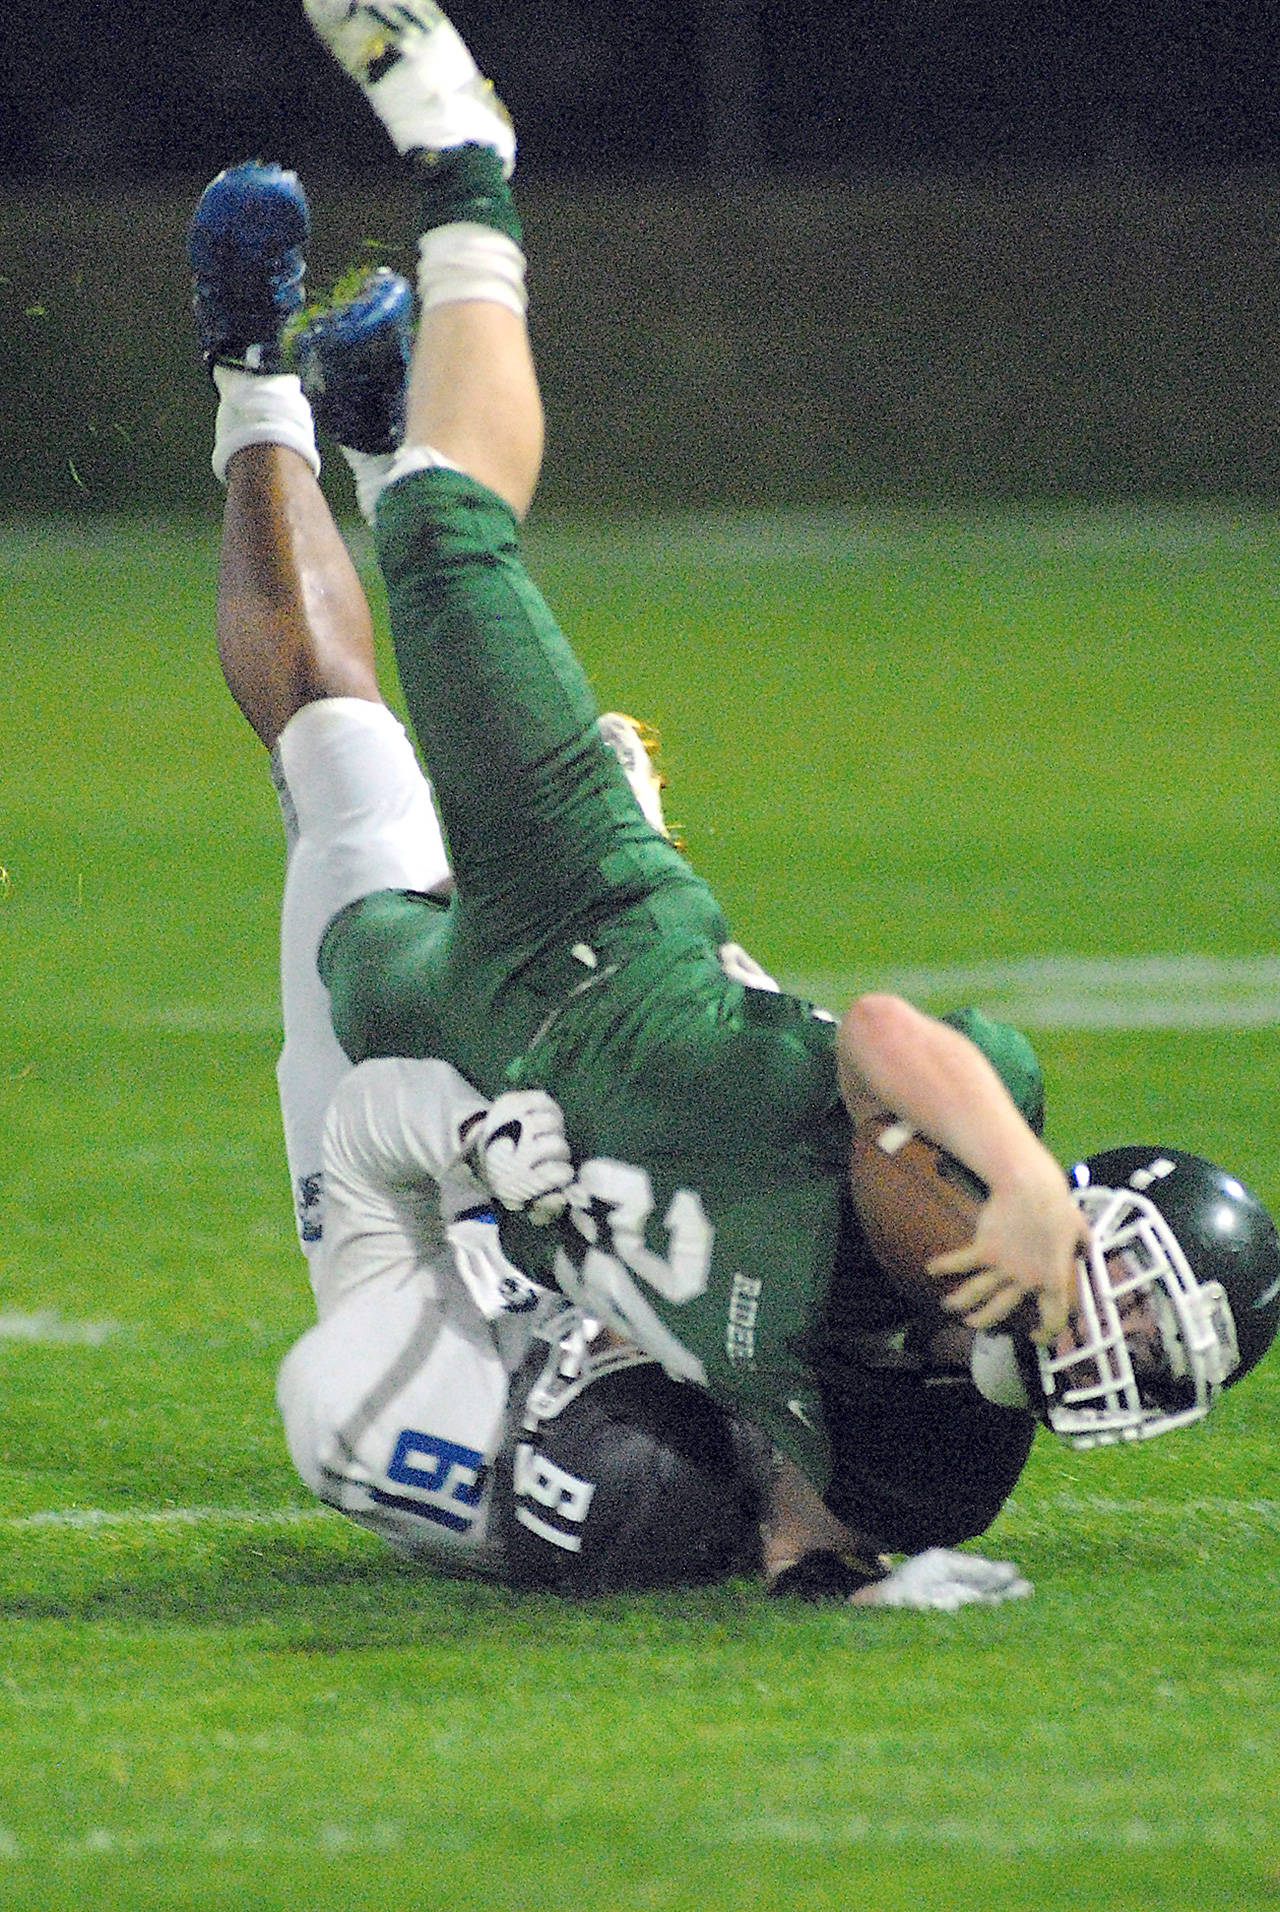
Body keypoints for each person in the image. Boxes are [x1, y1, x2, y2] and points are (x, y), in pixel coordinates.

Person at [282, 0, 1279, 1521]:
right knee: (443, 525)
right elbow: (886, 1036)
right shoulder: (972, 1154)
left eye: (1148, 1351)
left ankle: (360, 427)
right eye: (1134, 1302)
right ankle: (465, 163)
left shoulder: (922, 1440)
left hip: (478, 1052)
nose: (1112, 1341)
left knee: (344, 920)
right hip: (595, 923)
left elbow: (798, 1515)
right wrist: (1017, 1180)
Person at [192, 161, 1042, 1608]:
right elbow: (750, 1059)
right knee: (470, 716)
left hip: (419, 1165)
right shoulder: (811, 1318)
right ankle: (385, 450)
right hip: (563, 1023)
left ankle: (254, 380)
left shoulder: (429, 1391)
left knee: (341, 757)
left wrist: (471, 1143)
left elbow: (367, 1147)